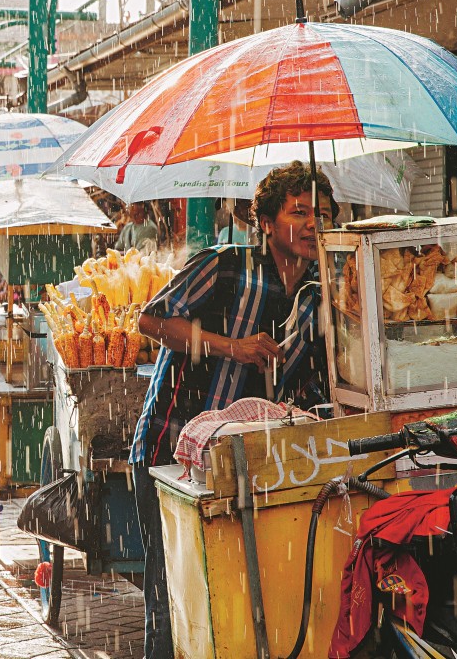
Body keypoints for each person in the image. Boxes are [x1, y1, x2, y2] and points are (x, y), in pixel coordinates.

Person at [129, 161, 333, 658]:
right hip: (171, 456)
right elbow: (150, 321)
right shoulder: (224, 265)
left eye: (322, 214)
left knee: (237, 604)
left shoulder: (320, 292)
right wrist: (231, 347)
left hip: (252, 471)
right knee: (174, 597)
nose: (313, 224)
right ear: (264, 221)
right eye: (299, 212)